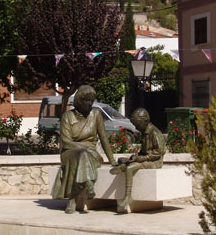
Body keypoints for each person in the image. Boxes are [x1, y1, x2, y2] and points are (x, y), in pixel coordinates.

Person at [51, 85, 117, 214]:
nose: (89, 104)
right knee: (82, 154)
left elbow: (104, 138)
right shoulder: (67, 116)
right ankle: (88, 184)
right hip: (70, 152)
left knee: (84, 155)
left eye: (91, 101)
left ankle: (72, 198)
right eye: (86, 101)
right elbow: (66, 142)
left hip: (91, 153)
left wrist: (112, 160)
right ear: (78, 101)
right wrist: (83, 147)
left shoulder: (96, 114)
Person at [110, 108, 165, 214]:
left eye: (137, 125)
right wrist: (136, 156)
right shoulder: (145, 133)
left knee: (130, 168)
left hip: (155, 162)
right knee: (128, 162)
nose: (135, 127)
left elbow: (159, 152)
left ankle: (128, 196)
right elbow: (144, 151)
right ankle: (123, 165)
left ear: (145, 121)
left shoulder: (154, 133)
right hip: (146, 159)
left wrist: (142, 158)